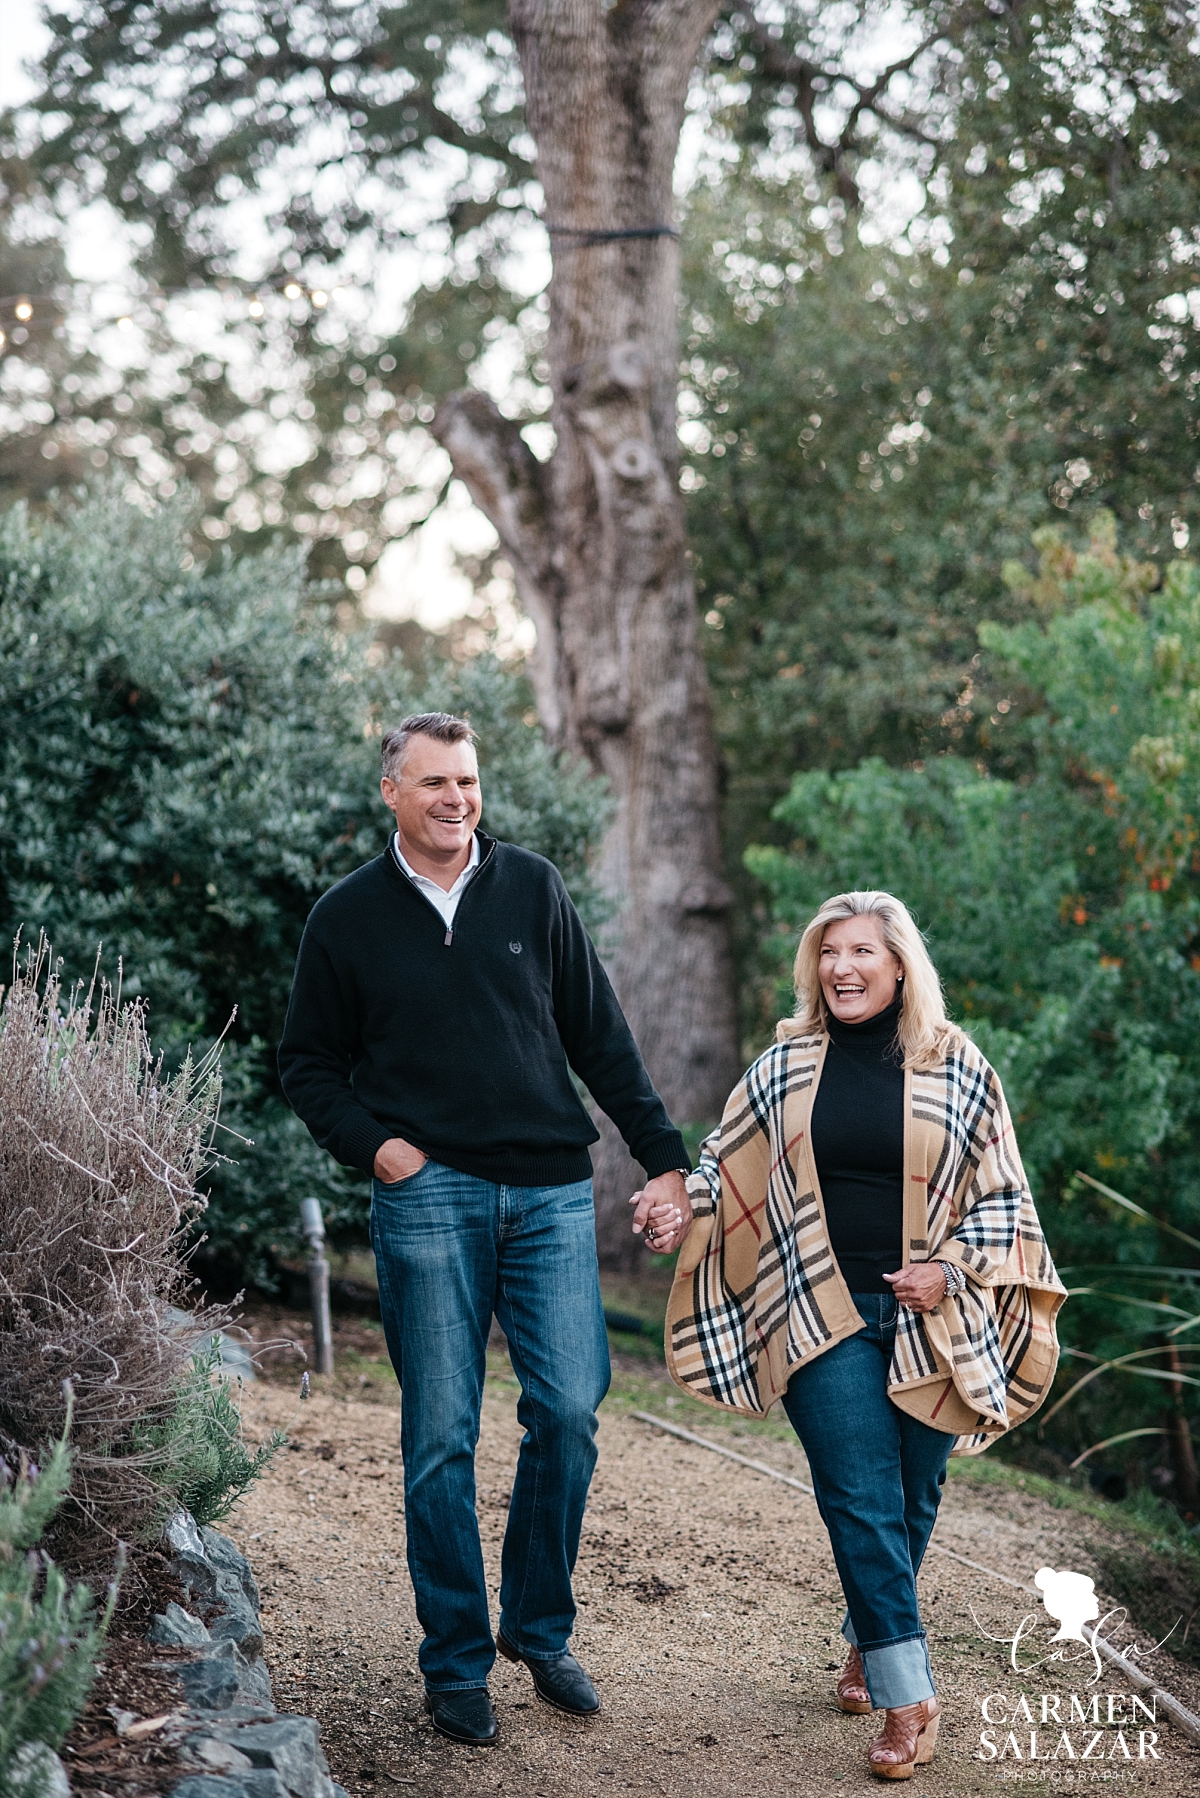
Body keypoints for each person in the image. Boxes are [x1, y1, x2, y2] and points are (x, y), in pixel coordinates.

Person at [278, 712, 690, 1746]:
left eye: (466, 780)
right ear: (391, 792)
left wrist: (663, 1155)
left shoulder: (534, 887)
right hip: (428, 1196)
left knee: (568, 1410)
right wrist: (380, 1149)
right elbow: (307, 1064)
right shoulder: (347, 917)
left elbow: (598, 1029)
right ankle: (456, 1661)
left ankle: (540, 1632)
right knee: (440, 1438)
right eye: (432, 783)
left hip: (549, 1193)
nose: (454, 798)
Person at [664, 890, 1065, 1780]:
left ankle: (867, 1637)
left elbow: (1006, 1199)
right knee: (858, 1495)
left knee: (914, 1497)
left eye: (860, 953)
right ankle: (906, 1695)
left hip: (934, 1315)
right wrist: (678, 1203)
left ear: (897, 965)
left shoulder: (957, 1065)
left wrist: (951, 1267)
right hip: (818, 1309)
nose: (842, 968)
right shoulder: (784, 1065)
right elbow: (721, 1165)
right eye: (828, 954)